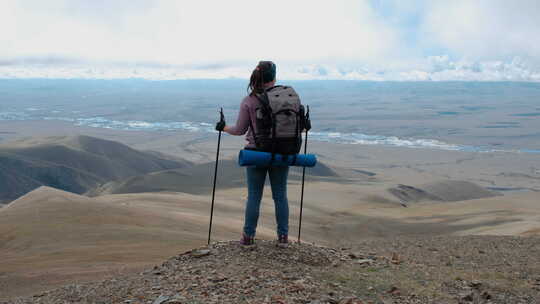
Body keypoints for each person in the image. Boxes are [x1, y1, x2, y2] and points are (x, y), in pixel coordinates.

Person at [215, 61, 290, 247]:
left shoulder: (249, 100)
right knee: (280, 195)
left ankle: (248, 237)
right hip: (282, 153)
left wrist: (223, 127)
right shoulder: (287, 97)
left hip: (256, 154)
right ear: (274, 77)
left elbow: (240, 130)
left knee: (254, 196)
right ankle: (283, 238)